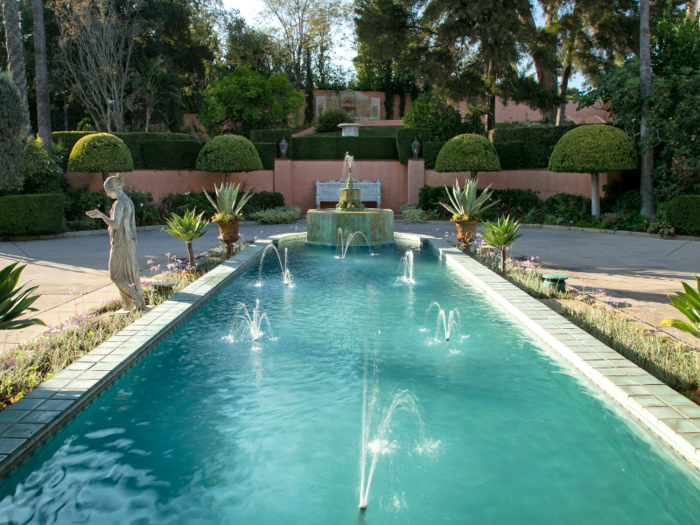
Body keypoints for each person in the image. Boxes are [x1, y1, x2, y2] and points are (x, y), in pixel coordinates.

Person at [86, 174, 144, 312]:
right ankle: (129, 304)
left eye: (108, 191)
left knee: (115, 275)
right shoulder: (128, 201)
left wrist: (101, 215)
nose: (107, 194)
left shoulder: (119, 203)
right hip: (127, 242)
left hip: (120, 243)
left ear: (114, 189)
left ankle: (136, 299)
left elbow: (116, 224)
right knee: (127, 274)